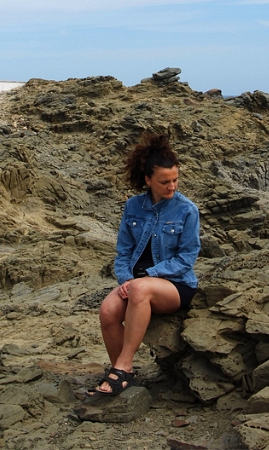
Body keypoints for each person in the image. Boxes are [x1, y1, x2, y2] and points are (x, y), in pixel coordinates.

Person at [89, 132, 200, 400]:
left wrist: (147, 276)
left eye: (175, 179)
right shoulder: (133, 206)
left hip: (176, 285)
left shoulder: (187, 210)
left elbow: (187, 258)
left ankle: (122, 367)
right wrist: (126, 279)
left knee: (140, 290)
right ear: (148, 180)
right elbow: (123, 251)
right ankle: (124, 374)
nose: (172, 186)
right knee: (107, 311)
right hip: (135, 283)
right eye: (164, 182)